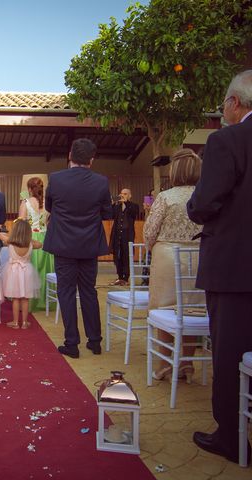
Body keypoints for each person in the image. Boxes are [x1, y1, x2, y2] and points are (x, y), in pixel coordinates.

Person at [187, 70, 252, 463]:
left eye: (224, 103)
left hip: (235, 264)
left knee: (230, 349)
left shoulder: (227, 140)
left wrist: (196, 208)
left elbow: (204, 203)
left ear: (235, 103)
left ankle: (231, 435)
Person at [43, 138, 113, 358]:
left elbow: (49, 206)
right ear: (91, 160)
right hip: (89, 244)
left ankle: (72, 343)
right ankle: (95, 341)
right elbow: (107, 213)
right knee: (88, 291)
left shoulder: (55, 179)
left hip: (63, 243)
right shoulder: (101, 182)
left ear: (70, 155)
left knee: (66, 292)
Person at [144, 149, 202, 382]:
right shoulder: (206, 194)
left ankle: (164, 364)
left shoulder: (166, 197)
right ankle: (186, 363)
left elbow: (149, 232)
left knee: (165, 310)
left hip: (168, 257)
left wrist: (153, 248)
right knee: (193, 311)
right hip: (199, 256)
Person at [18, 176, 54, 311]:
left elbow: (21, 223)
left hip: (31, 238)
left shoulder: (26, 203)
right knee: (45, 270)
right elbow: (50, 221)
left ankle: (29, 301)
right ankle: (45, 300)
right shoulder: (48, 204)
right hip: (45, 238)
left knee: (30, 270)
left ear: (29, 189)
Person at [0, 219, 41, 329]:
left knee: (16, 298)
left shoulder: (10, 242)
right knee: (25, 298)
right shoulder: (30, 244)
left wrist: (12, 235)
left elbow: (0, 234)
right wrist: (29, 239)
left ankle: (16, 322)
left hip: (13, 272)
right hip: (27, 271)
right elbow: (40, 244)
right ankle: (25, 322)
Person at [109, 188, 139, 286]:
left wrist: (127, 203)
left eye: (125, 194)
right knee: (117, 256)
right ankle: (120, 277)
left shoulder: (133, 206)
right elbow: (111, 215)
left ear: (130, 195)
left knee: (126, 256)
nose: (123, 195)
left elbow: (134, 214)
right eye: (121, 194)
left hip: (127, 235)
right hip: (117, 235)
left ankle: (126, 278)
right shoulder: (117, 207)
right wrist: (112, 203)